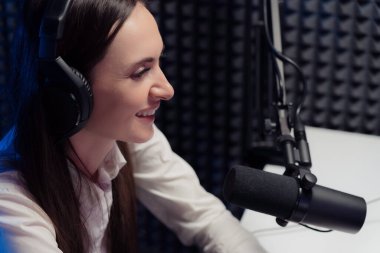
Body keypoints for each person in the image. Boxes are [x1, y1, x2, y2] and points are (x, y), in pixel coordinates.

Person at [0, 0, 267, 252]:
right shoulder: (11, 205)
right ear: (69, 89)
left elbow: (208, 219)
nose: (167, 90)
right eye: (140, 72)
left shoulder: (125, 139)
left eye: (159, 62)